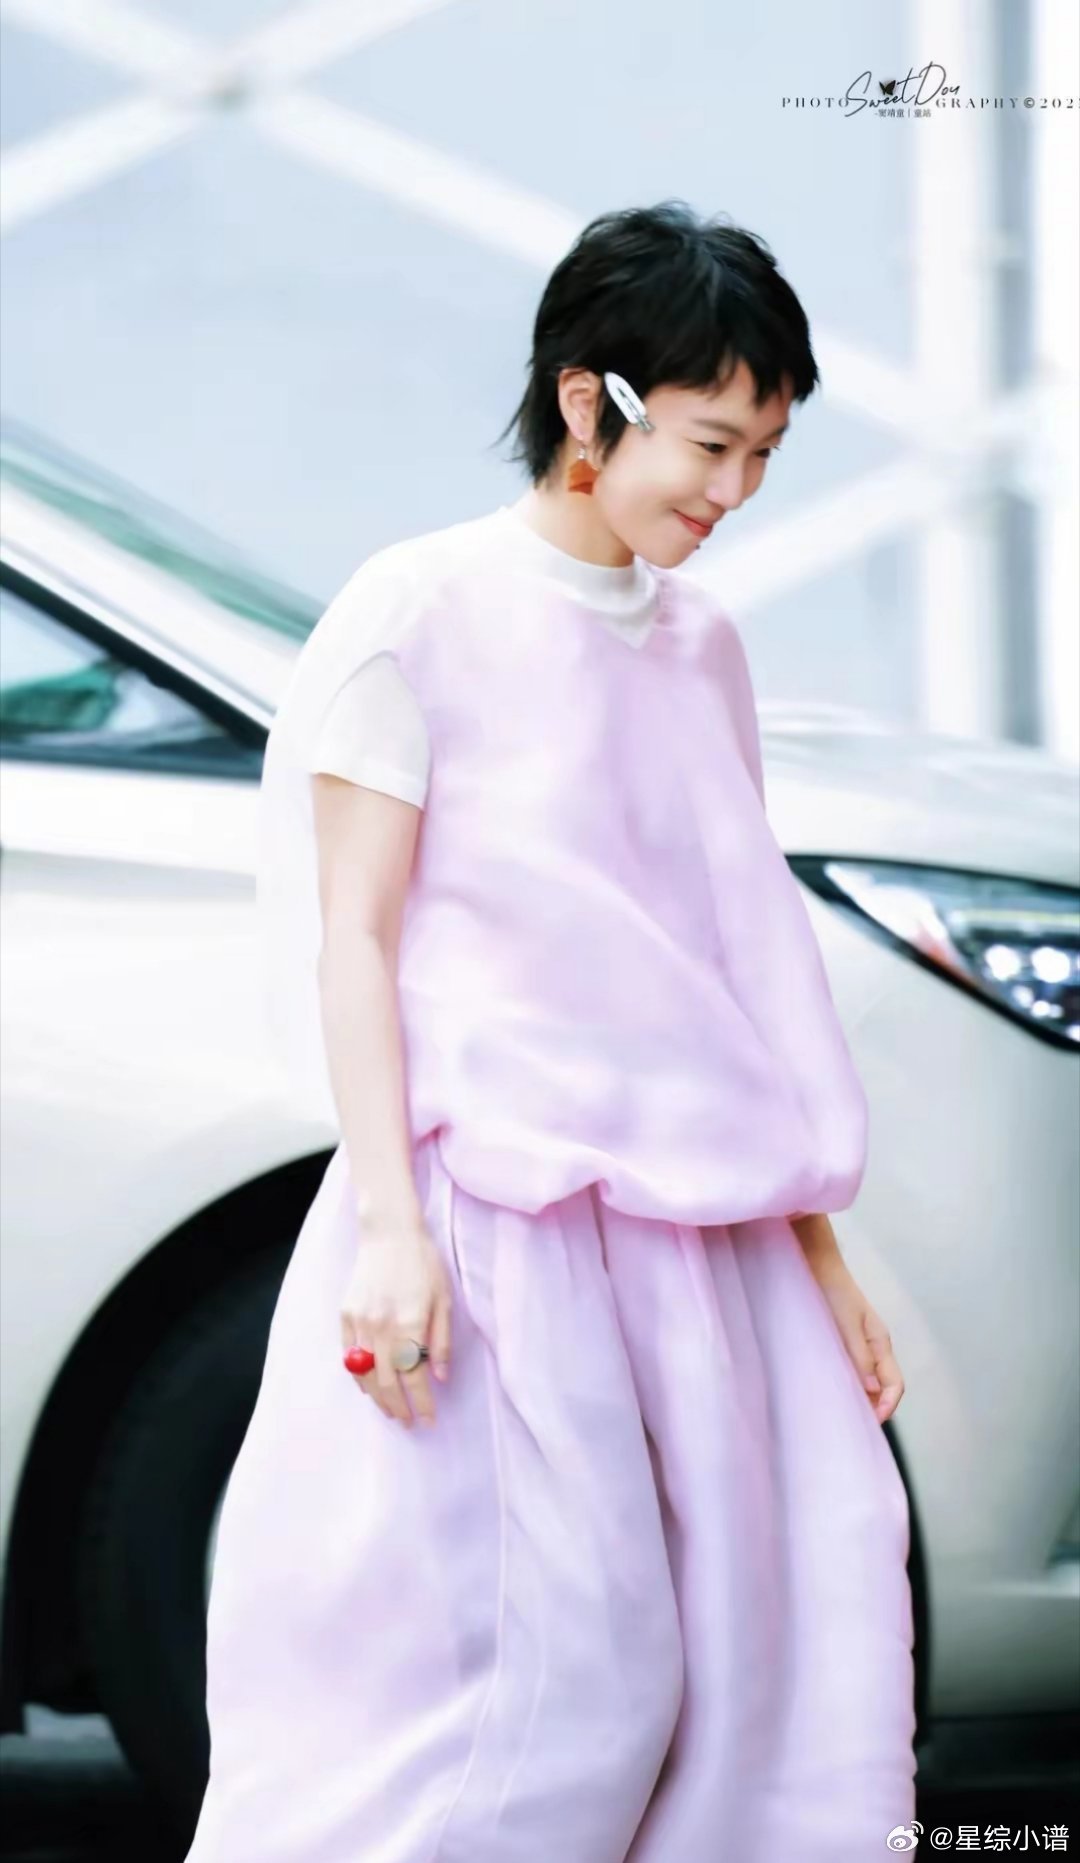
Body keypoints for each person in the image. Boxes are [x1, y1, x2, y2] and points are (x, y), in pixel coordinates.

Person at [184, 200, 917, 1863]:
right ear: (591, 401)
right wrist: (391, 1227)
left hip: (705, 1242)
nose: (735, 494)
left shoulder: (703, 646)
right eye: (711, 444)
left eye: (765, 455)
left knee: (776, 1662)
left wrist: (816, 1252)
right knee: (542, 1678)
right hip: (497, 1224)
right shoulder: (420, 609)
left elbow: (733, 964)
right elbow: (356, 937)